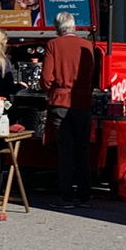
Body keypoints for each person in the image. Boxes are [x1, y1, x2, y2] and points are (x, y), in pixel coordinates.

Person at [41, 12, 96, 209]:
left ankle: (67, 197)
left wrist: (49, 89)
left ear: (57, 28)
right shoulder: (88, 46)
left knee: (66, 151)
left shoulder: (54, 45)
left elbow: (47, 78)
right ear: (74, 26)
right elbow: (91, 74)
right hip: (83, 101)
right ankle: (85, 195)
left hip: (61, 102)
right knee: (83, 150)